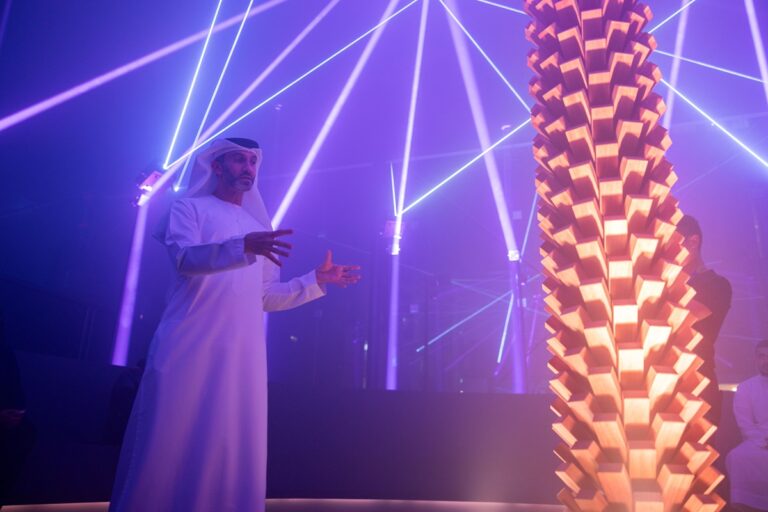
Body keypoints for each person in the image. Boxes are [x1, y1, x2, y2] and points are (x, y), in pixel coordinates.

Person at [110, 137, 360, 512]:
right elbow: (184, 259)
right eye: (239, 160)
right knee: (166, 440)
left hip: (241, 356)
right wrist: (242, 247)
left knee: (229, 444)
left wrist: (315, 281)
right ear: (217, 166)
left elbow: (266, 296)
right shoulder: (189, 208)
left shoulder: (259, 229)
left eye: (252, 162)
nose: (248, 168)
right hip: (188, 345)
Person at [678, 215, 732, 424]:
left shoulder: (717, 285)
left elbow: (685, 317)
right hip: (659, 383)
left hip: (698, 383)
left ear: (693, 241)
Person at [726, 340, 768, 512]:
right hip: (758, 441)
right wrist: (763, 441)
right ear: (756, 359)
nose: (766, 361)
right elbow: (745, 423)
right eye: (762, 356)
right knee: (737, 457)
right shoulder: (746, 388)